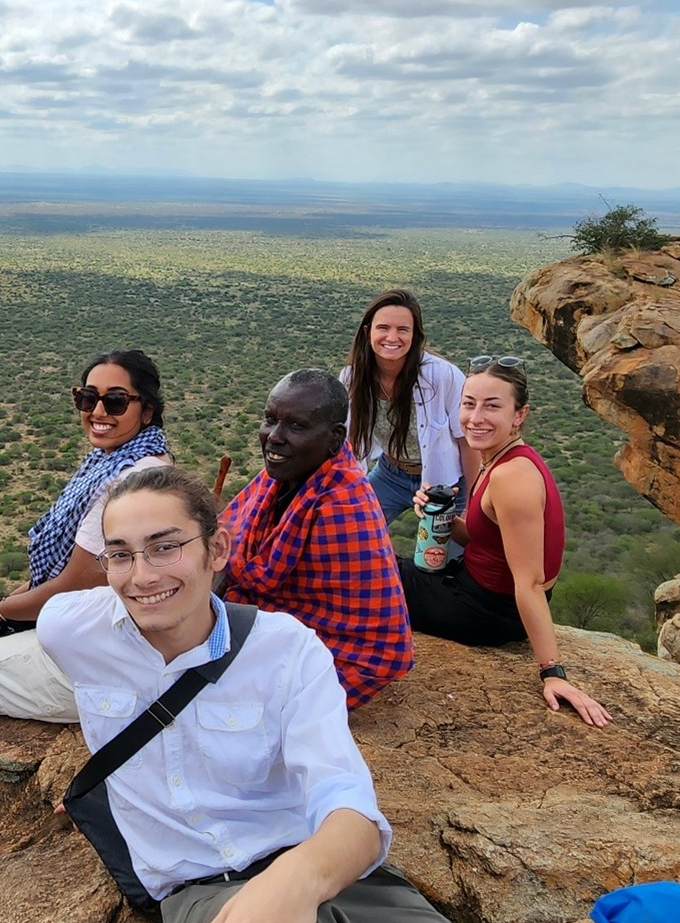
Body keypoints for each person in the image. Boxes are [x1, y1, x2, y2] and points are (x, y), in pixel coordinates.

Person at [37, 467, 506, 923]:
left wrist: (294, 883)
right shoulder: (70, 629)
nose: (142, 576)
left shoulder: (285, 651)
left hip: (329, 873)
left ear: (217, 550)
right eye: (120, 554)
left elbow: (350, 809)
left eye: (165, 547)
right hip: (201, 889)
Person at [0, 349, 171, 769]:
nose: (98, 411)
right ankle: (1, 754)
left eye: (116, 401)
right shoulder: (114, 462)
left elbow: (80, 580)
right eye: (88, 398)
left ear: (147, 410)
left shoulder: (130, 479)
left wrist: (0, 608)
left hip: (116, 650)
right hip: (94, 625)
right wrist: (14, 605)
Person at [396, 358, 612, 727]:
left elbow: (529, 581)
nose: (475, 417)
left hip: (488, 613)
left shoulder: (513, 478)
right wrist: (442, 518)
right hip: (473, 588)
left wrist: (553, 671)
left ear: (518, 415)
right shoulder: (497, 458)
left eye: (492, 406)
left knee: (364, 565)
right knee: (377, 561)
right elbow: (483, 539)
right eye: (468, 403)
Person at [218, 369, 411, 708]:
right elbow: (228, 544)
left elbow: (377, 643)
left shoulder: (344, 505)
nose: (274, 437)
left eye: (296, 426)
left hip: (342, 658)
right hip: (279, 622)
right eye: (270, 419)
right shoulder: (280, 476)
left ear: (335, 438)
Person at [339, 289, 479, 523]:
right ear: (367, 331)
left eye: (403, 329)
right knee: (349, 529)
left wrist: (474, 500)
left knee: (446, 555)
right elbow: (345, 442)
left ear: (415, 335)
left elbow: (467, 441)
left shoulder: (443, 376)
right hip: (390, 474)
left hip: (447, 482)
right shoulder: (351, 379)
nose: (392, 338)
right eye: (383, 328)